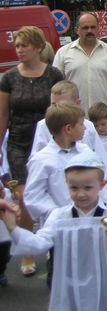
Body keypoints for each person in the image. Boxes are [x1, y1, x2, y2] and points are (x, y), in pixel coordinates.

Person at [2, 152, 107, 311]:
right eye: (74, 187)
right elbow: (40, 243)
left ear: (102, 184)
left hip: (104, 282)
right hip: (69, 283)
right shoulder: (59, 216)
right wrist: (13, 229)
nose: (80, 193)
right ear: (66, 184)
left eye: (87, 188)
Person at [23, 101, 107, 288]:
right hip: (61, 230)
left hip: (90, 224)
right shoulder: (43, 159)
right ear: (68, 128)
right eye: (81, 124)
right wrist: (57, 213)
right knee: (62, 279)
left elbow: (99, 180)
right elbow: (33, 196)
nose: (85, 128)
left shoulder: (84, 151)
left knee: (93, 275)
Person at [0, 26, 63, 276]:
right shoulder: (8, 78)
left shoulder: (54, 75)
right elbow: (3, 115)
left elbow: (63, 106)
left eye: (24, 45)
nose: (19, 50)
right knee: (23, 196)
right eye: (17, 46)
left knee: (54, 194)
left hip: (49, 142)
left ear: (38, 47)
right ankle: (27, 251)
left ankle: (51, 241)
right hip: (19, 143)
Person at [53, 13, 107, 132]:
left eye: (93, 27)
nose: (90, 30)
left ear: (98, 28)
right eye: (85, 27)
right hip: (72, 120)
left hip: (103, 121)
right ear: (77, 30)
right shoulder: (63, 53)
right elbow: (56, 88)